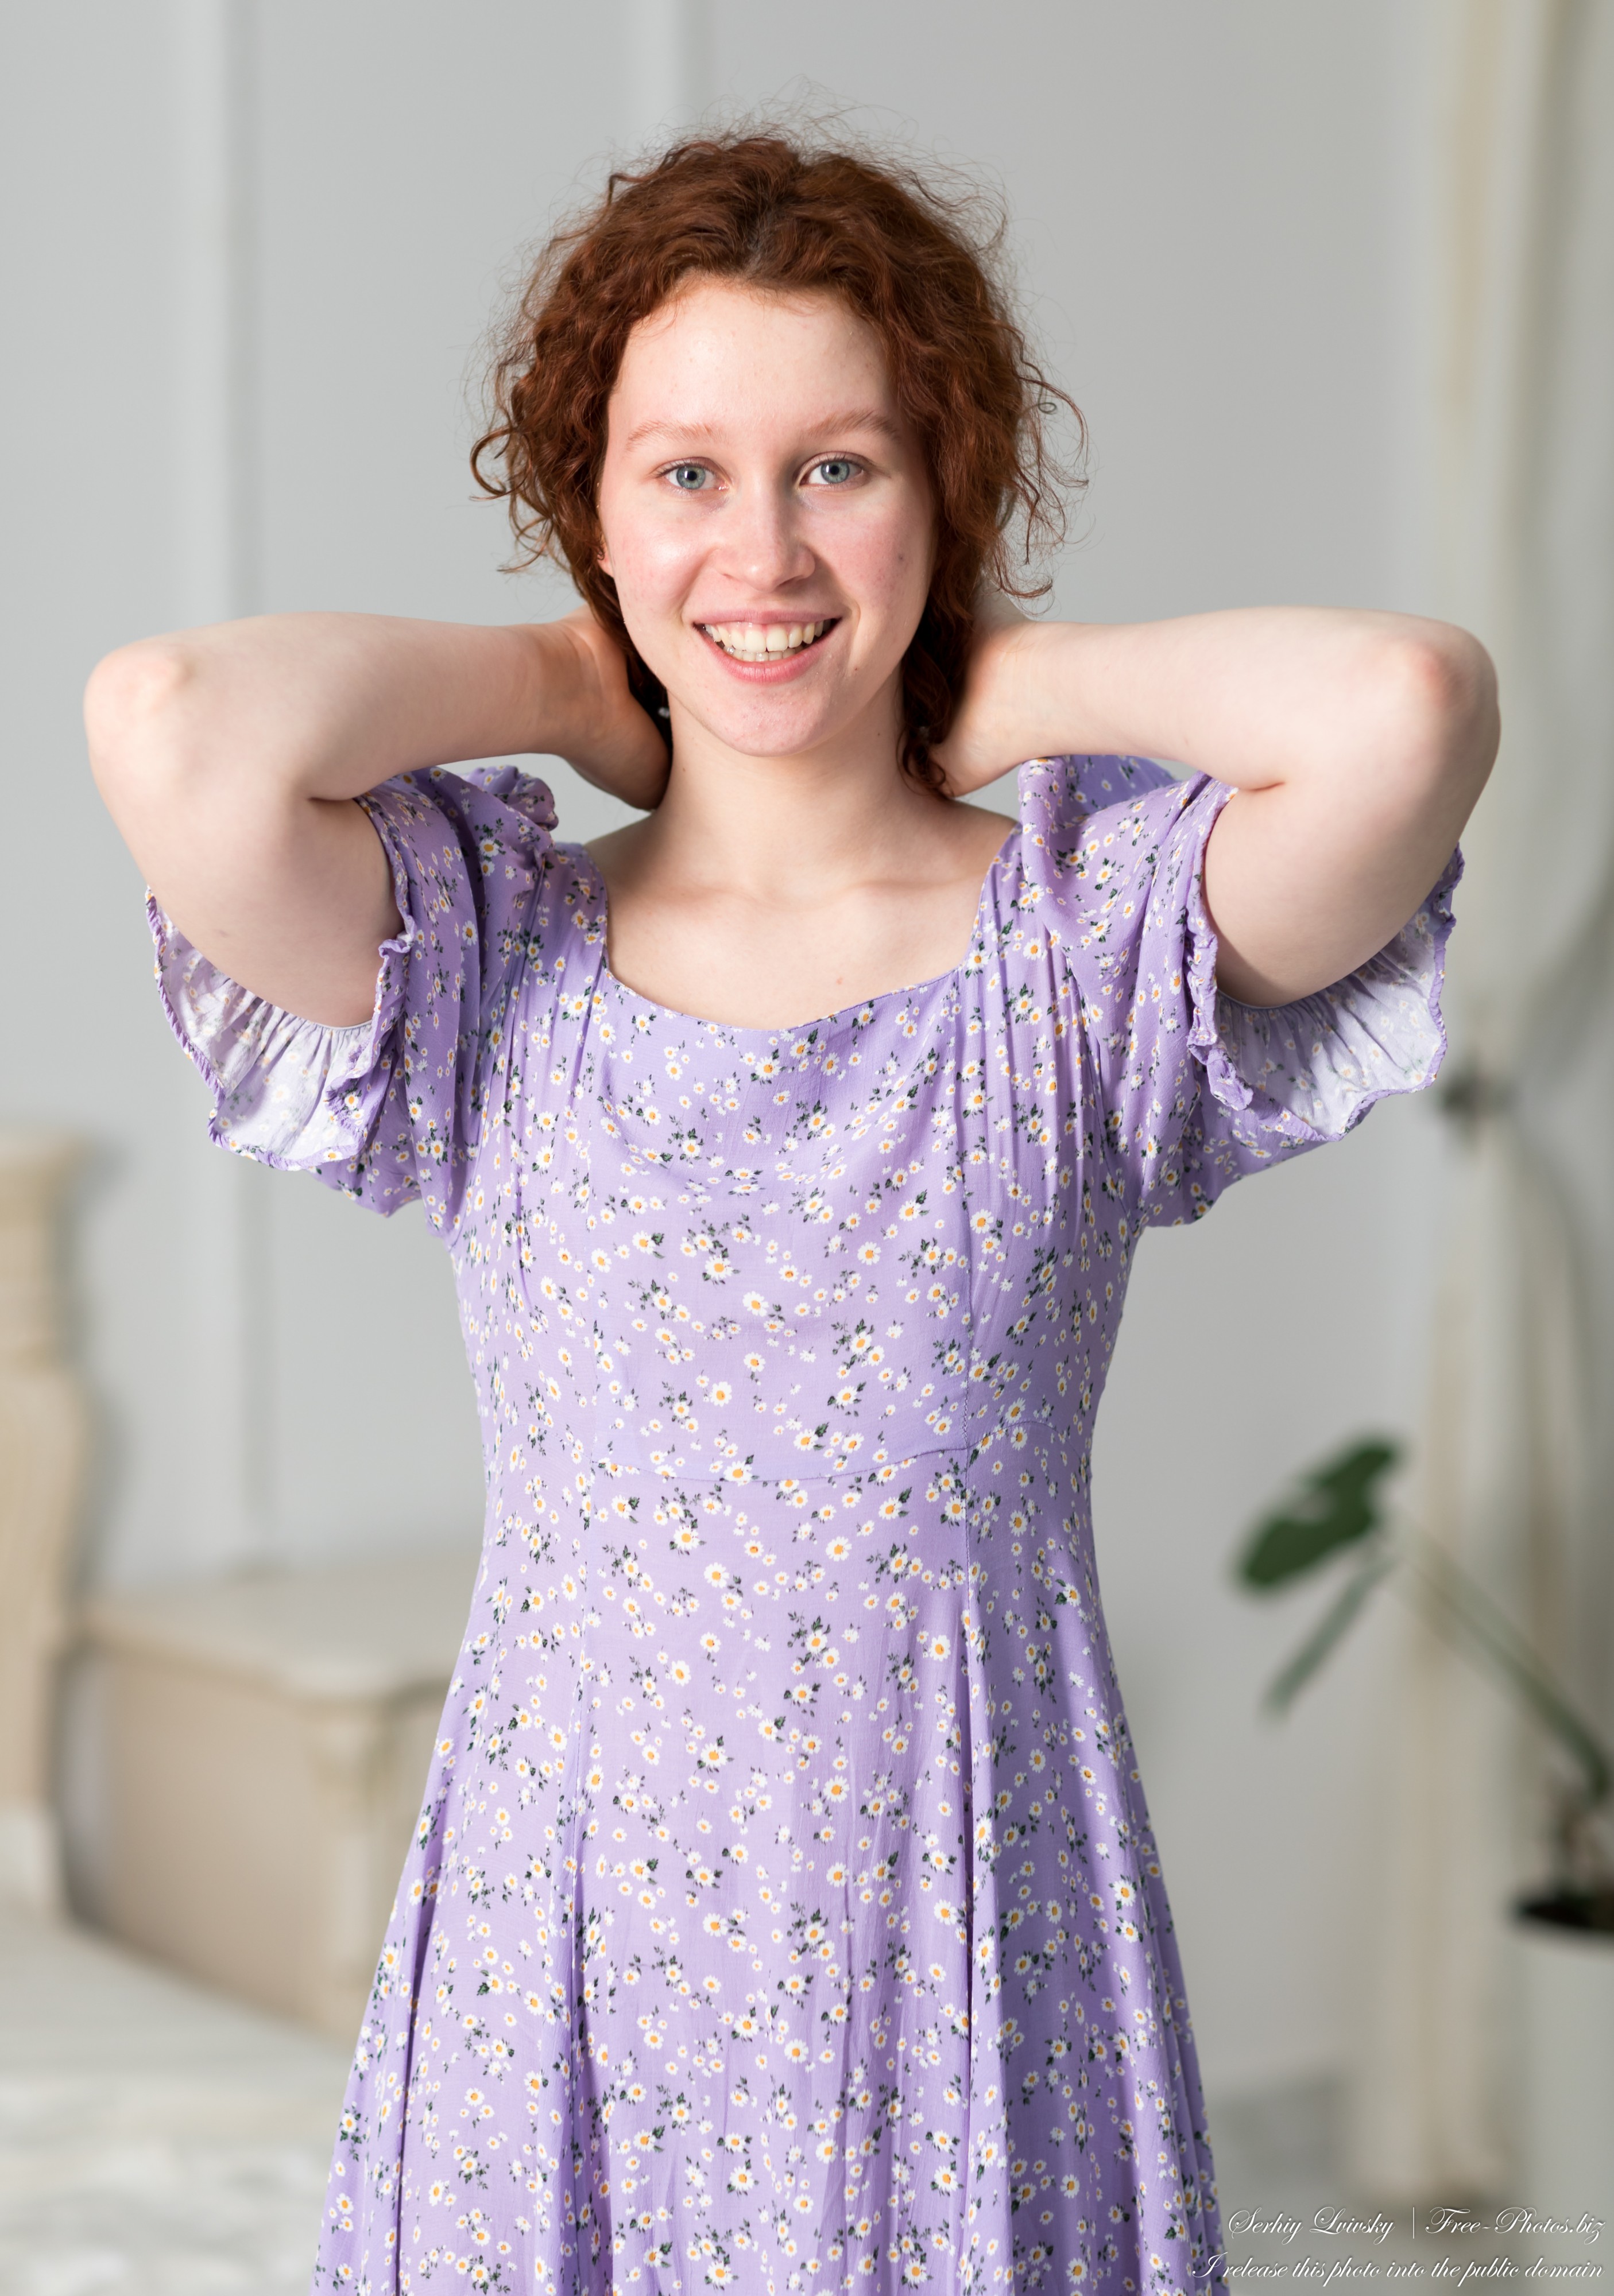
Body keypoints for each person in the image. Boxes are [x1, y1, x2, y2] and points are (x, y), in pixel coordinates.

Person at [87, 130, 1495, 2296]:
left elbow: (1403, 711)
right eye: (685, 476)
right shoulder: (489, 957)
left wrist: (971, 687)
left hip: (975, 1924)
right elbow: (172, 726)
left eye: (840, 467)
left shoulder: (1075, 956)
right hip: (562, 1945)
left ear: (948, 493)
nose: (764, 546)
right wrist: (587, 688)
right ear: (596, 516)